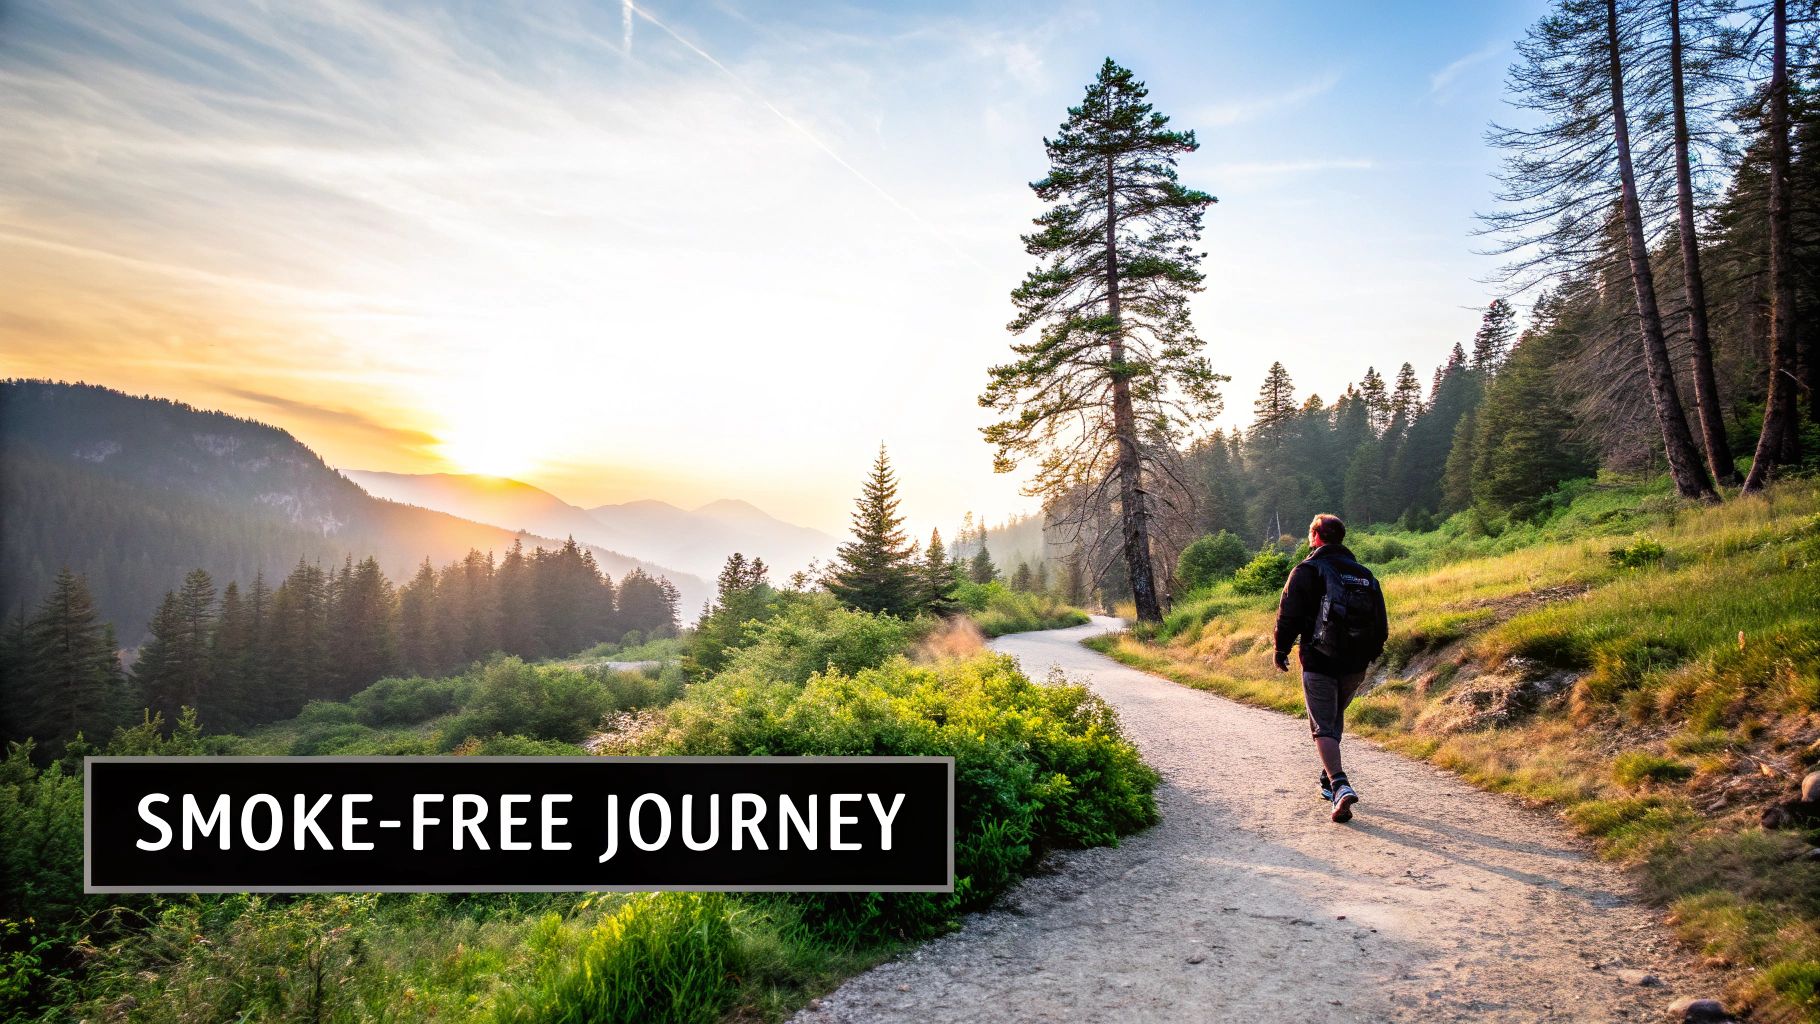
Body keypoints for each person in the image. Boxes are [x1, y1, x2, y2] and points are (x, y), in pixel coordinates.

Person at [1272, 513, 1388, 823]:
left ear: (1316, 537)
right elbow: (1381, 621)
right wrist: (1369, 655)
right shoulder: (1364, 574)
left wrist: (1281, 649)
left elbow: (1288, 615)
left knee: (1323, 725)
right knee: (1334, 718)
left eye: (1311, 534)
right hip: (1356, 665)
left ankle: (1339, 785)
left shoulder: (1307, 570)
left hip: (1319, 660)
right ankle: (1328, 779)